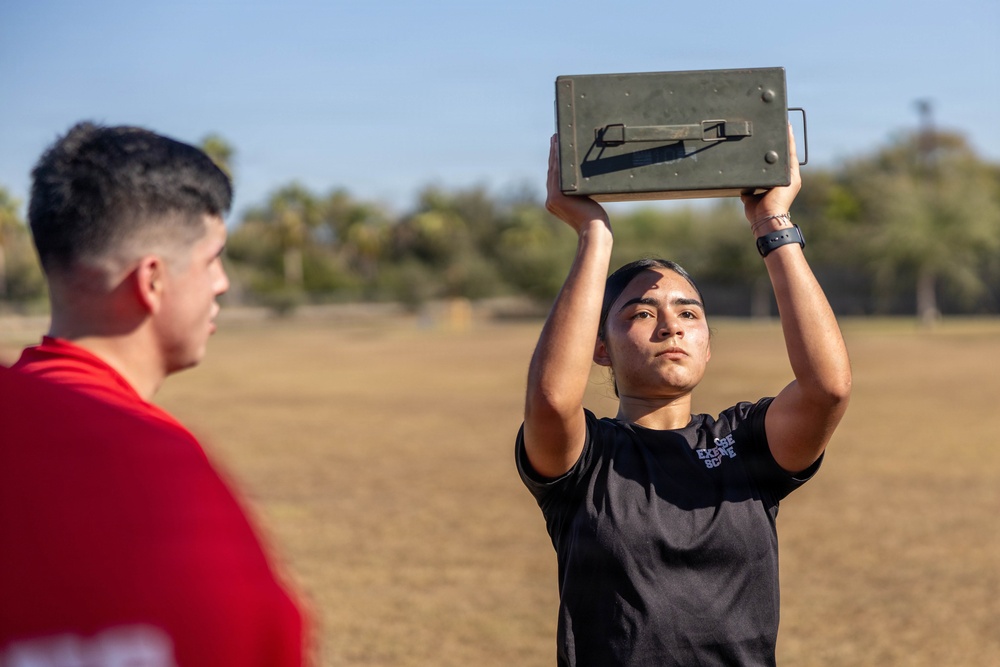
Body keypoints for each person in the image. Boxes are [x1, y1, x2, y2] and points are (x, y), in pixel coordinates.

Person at [516, 130, 851, 667]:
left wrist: (772, 222)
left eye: (689, 312)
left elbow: (827, 388)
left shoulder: (744, 445)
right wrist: (593, 235)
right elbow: (553, 401)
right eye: (641, 313)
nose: (670, 325)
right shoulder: (584, 459)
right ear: (599, 348)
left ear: (708, 345)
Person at [1, 122, 307, 665]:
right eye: (214, 257)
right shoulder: (154, 467)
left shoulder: (24, 409)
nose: (223, 283)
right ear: (153, 281)